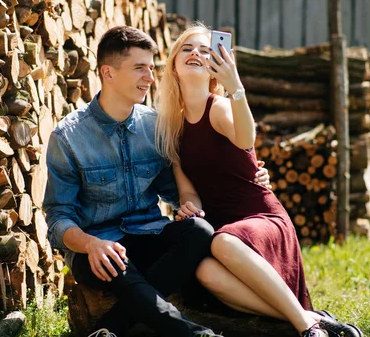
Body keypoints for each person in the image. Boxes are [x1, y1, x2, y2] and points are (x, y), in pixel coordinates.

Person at [43, 26, 269, 337]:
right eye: (139, 68)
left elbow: (181, 188)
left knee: (199, 230)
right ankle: (198, 335)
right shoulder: (68, 136)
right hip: (98, 249)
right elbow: (57, 218)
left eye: (151, 68)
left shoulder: (155, 126)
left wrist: (244, 177)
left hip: (149, 237)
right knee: (117, 260)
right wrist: (91, 244)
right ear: (107, 73)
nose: (149, 77)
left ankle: (110, 328)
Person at [155, 24, 364, 337]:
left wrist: (234, 84)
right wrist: (190, 208)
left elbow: (245, 139)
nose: (195, 53)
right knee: (204, 271)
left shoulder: (221, 108)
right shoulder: (172, 130)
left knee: (223, 242)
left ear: (214, 65)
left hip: (261, 219)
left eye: (203, 49)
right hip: (224, 233)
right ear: (174, 64)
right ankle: (311, 315)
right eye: (186, 49)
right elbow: (189, 192)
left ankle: (307, 327)